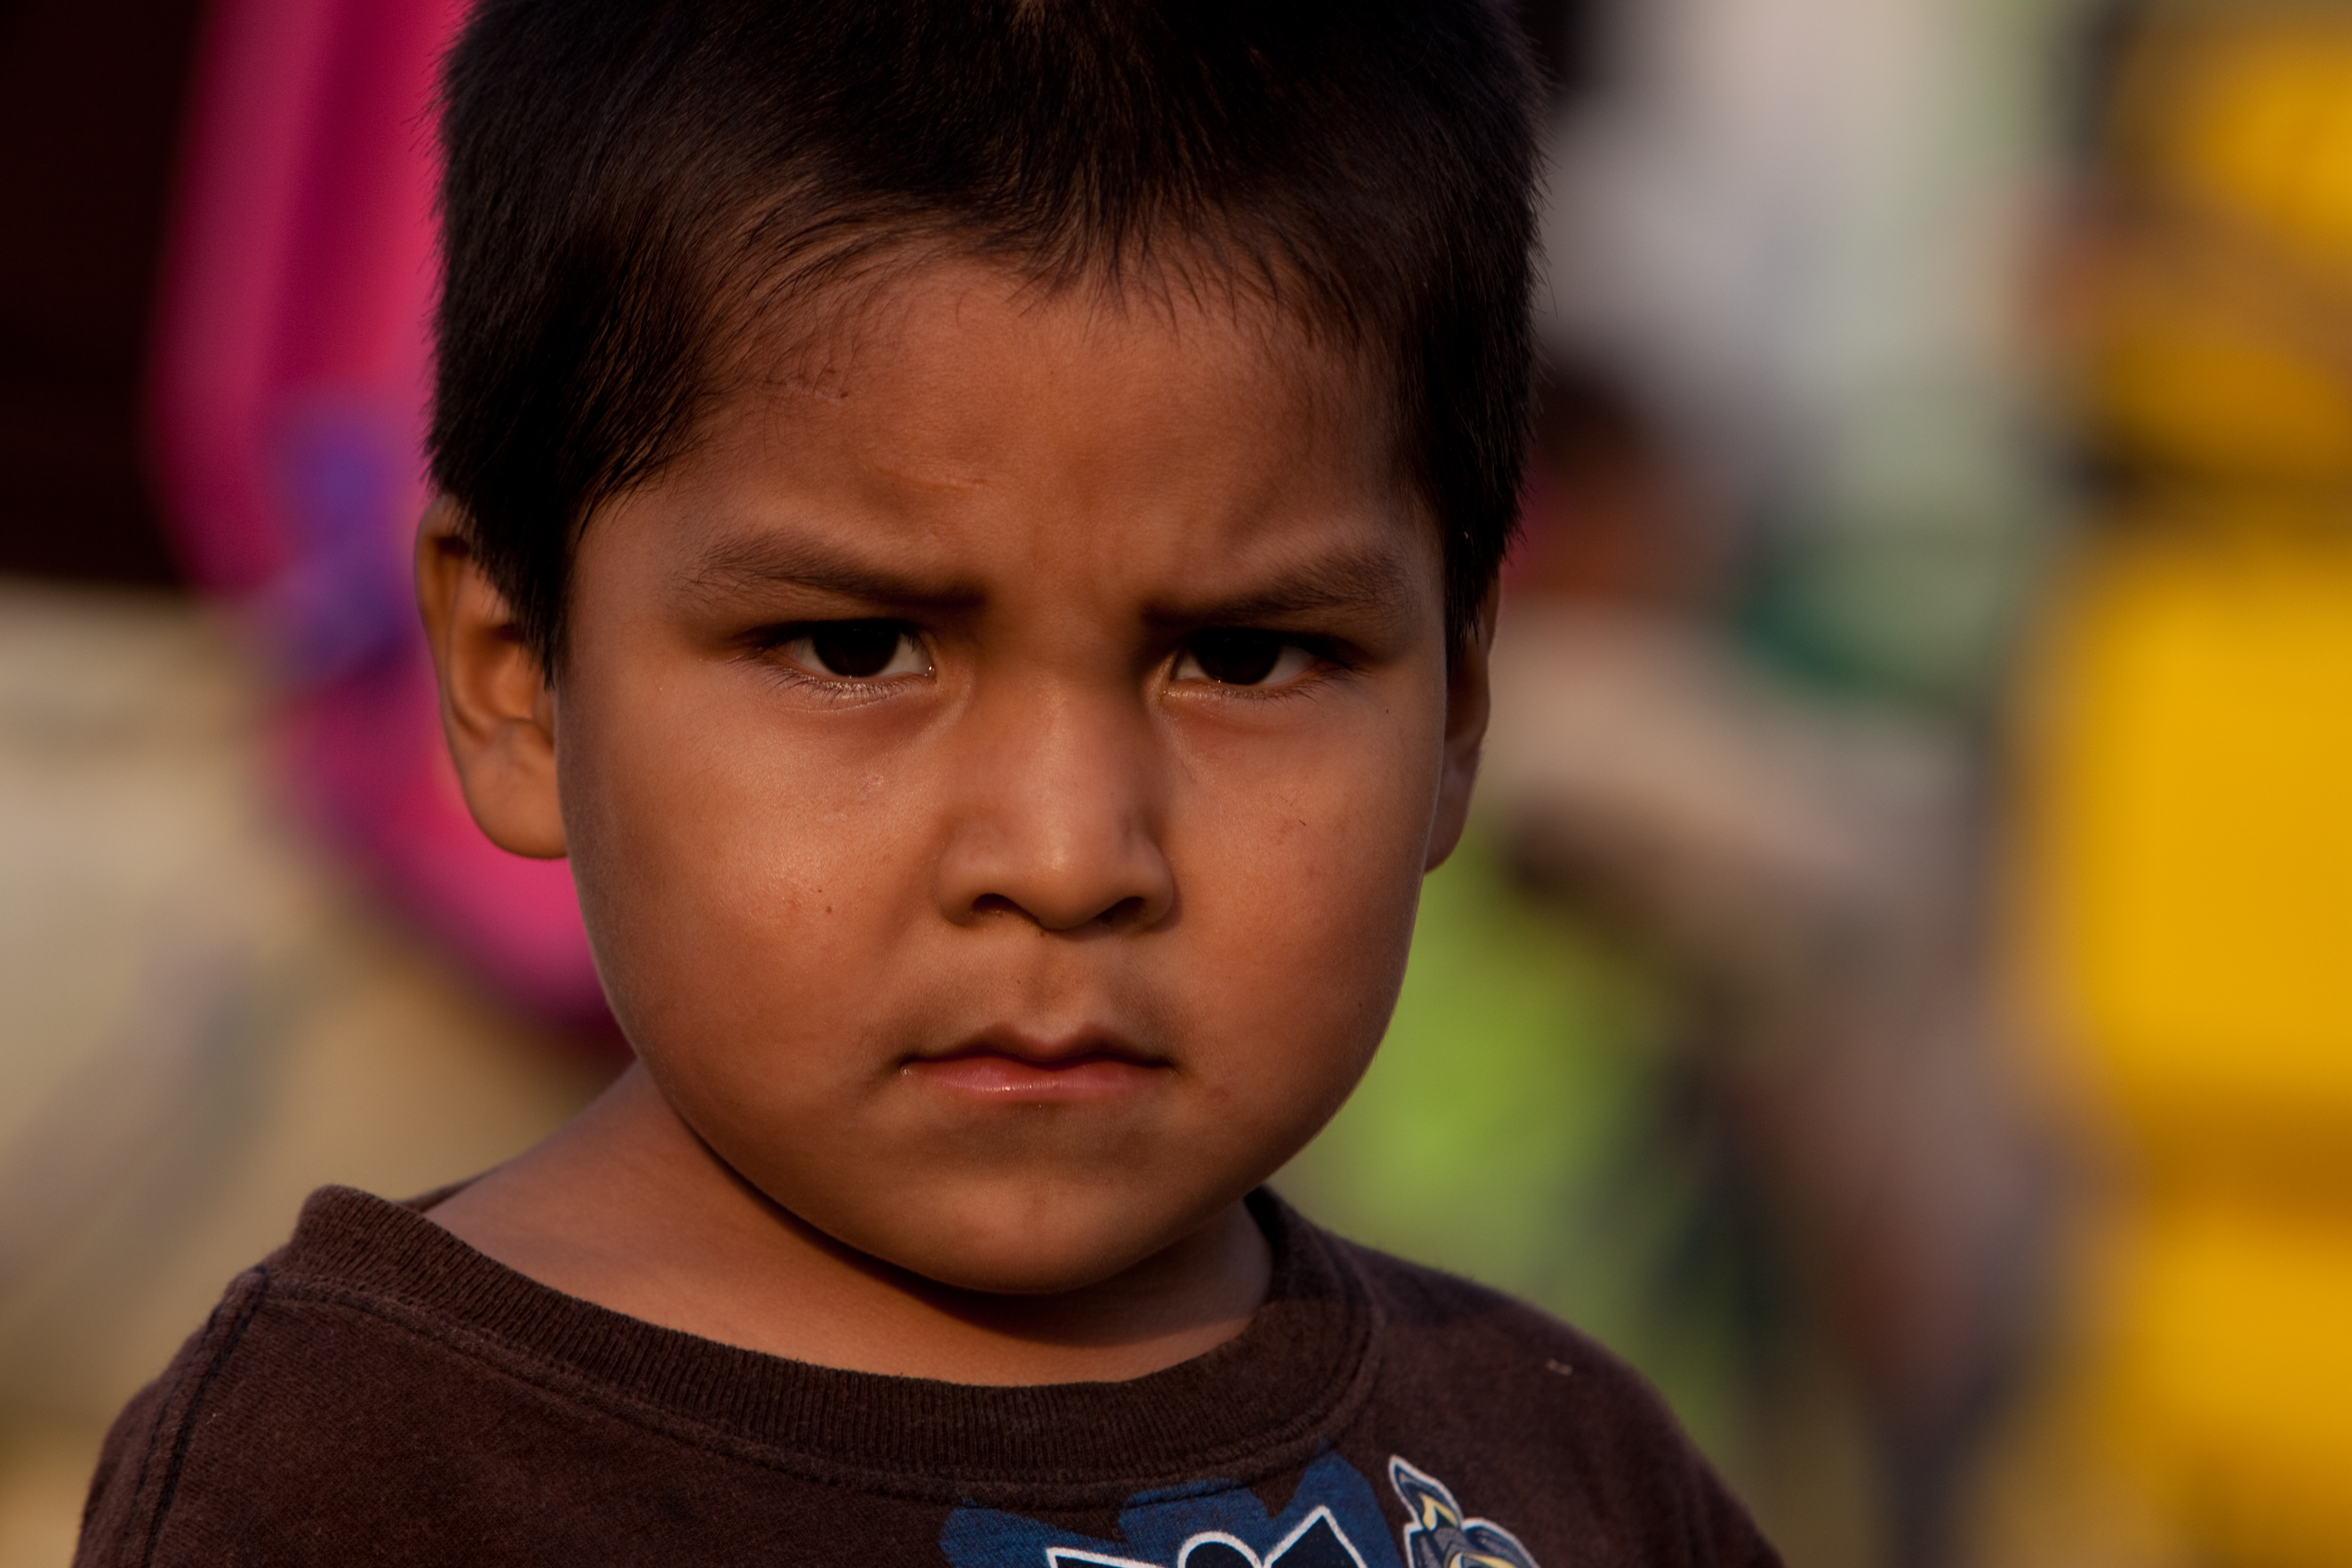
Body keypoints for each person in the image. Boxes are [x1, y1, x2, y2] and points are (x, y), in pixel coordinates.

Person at [75, 2, 1779, 1562]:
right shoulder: (357, 1480)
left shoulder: (1570, 1468)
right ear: (516, 680)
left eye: (1248, 660)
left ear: (1460, 710)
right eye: (855, 650)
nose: (1063, 853)